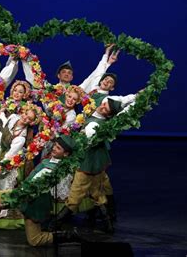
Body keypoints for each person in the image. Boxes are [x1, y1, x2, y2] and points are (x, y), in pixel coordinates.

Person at [0, 135, 81, 246]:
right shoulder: (51, 162)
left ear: (66, 154)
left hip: (34, 203)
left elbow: (33, 191)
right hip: (27, 195)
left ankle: (68, 236)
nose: (54, 149)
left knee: (35, 240)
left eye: (58, 148)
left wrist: (11, 202)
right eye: (55, 145)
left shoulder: (55, 170)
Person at [49, 97, 131, 233]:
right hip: (97, 161)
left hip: (88, 163)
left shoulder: (96, 124)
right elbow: (122, 102)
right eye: (104, 104)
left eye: (106, 109)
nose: (102, 107)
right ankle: (108, 224)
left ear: (108, 115)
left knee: (76, 194)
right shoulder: (93, 114)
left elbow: (89, 139)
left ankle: (55, 223)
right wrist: (135, 98)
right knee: (96, 192)